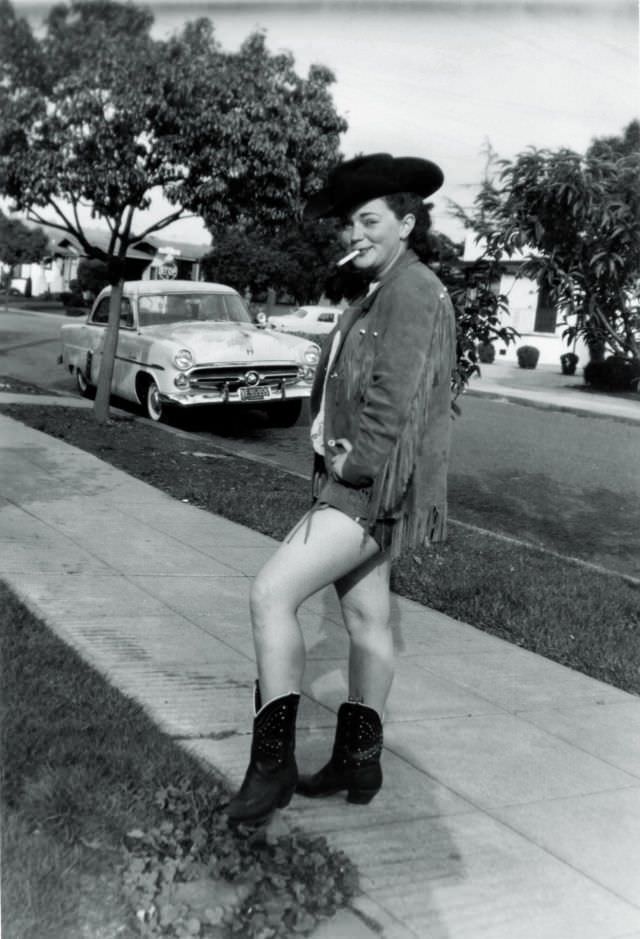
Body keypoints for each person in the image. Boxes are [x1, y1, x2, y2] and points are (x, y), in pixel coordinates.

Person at [226, 153, 457, 827]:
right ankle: (360, 763)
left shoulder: (411, 290)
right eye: (351, 222)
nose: (354, 234)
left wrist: (355, 468)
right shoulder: (383, 287)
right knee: (366, 620)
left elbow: (397, 395)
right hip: (380, 485)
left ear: (406, 223)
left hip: (367, 487)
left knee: (271, 592)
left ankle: (271, 770)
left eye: (369, 220)